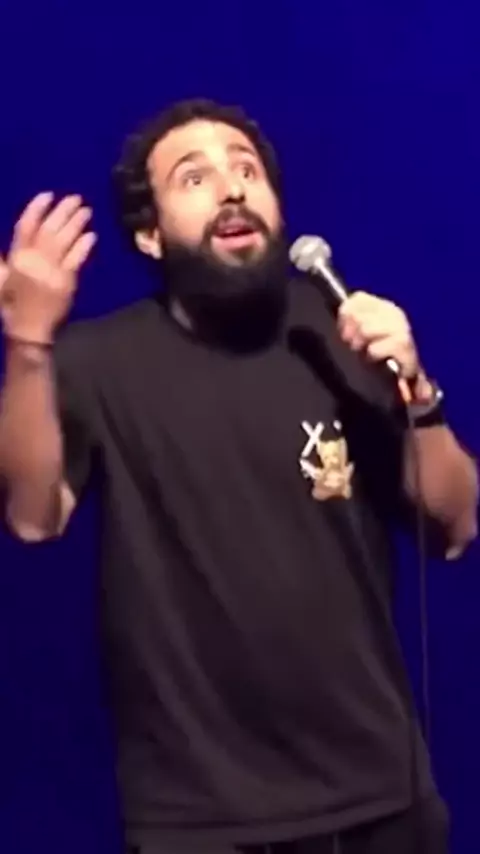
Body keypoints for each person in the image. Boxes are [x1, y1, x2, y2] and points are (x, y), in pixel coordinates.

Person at [0, 98, 477, 854]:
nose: (231, 189)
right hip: (205, 819)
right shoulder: (99, 362)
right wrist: (28, 343)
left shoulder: (338, 333)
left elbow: (455, 522)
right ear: (149, 234)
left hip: (385, 799)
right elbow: (34, 516)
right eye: (194, 178)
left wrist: (418, 394)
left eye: (247, 171)